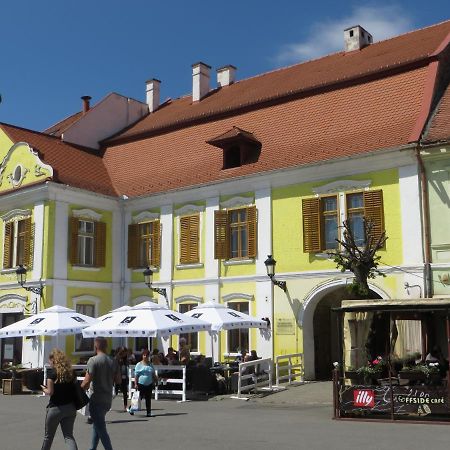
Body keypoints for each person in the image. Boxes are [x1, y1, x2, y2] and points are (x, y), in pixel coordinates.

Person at [81, 337, 120, 450]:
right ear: (106, 346)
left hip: (96, 398)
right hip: (107, 398)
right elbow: (118, 380)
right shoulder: (113, 361)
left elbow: (87, 381)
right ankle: (92, 448)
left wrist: (78, 390)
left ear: (95, 346)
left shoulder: (93, 360)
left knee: (101, 428)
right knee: (97, 425)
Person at [40, 348, 78, 450]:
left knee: (48, 437)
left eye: (50, 360)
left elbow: (50, 392)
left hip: (55, 408)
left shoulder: (52, 374)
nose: (49, 362)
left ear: (54, 360)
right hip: (70, 407)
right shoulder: (71, 373)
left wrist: (44, 388)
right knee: (68, 436)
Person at [130, 349, 157, 417]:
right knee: (138, 398)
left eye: (147, 355)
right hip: (141, 384)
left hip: (149, 384)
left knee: (148, 398)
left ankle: (149, 412)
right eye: (144, 355)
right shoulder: (138, 365)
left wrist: (156, 381)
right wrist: (135, 384)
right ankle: (131, 409)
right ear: (142, 356)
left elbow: (153, 374)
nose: (145, 356)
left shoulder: (150, 365)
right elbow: (136, 375)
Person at [114, 347, 129, 412]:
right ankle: (107, 404)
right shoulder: (116, 359)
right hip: (117, 378)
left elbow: (127, 367)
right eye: (125, 352)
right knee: (115, 392)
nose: (126, 354)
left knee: (125, 393)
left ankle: (125, 406)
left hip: (124, 378)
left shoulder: (125, 359)